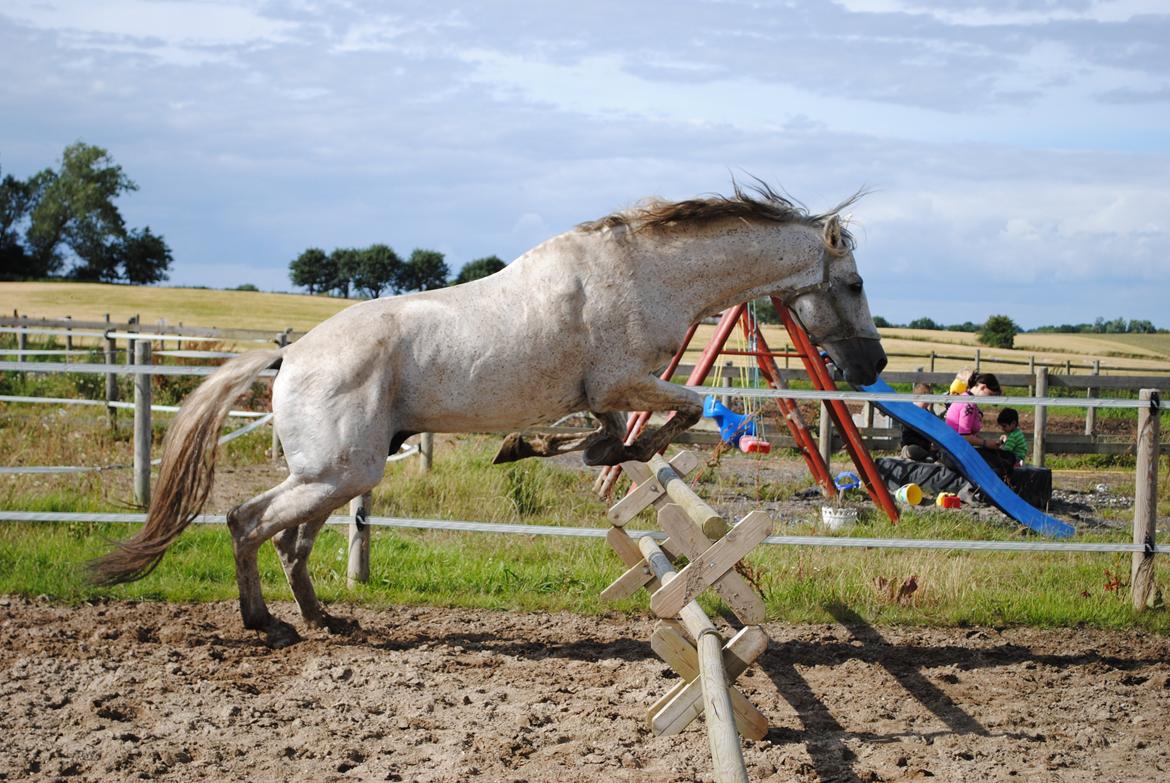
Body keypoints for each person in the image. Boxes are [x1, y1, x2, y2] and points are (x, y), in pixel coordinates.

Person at [942, 372, 1016, 478]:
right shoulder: (969, 405)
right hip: (955, 453)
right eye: (990, 395)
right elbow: (964, 436)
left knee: (1009, 457)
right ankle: (980, 493)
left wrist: (989, 443)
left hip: (959, 450)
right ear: (983, 387)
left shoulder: (969, 400)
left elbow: (968, 434)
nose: (989, 399)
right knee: (1003, 466)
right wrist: (986, 443)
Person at [900, 382, 938, 462]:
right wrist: (927, 446)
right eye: (926, 401)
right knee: (913, 450)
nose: (928, 404)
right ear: (918, 398)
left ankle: (929, 456)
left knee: (939, 450)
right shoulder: (909, 414)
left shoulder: (927, 414)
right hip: (912, 445)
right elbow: (907, 437)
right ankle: (908, 453)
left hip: (926, 446)